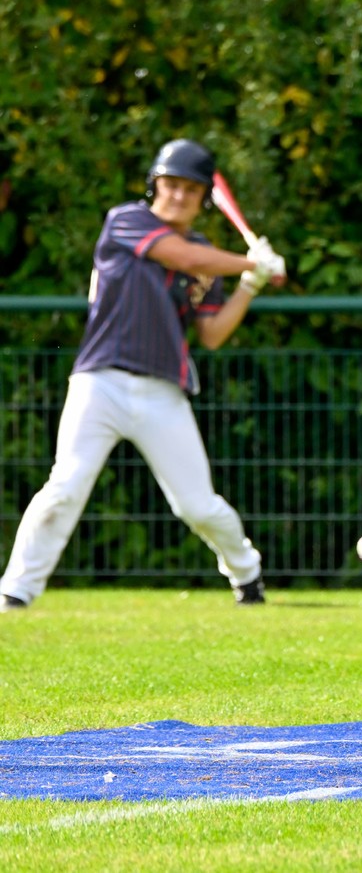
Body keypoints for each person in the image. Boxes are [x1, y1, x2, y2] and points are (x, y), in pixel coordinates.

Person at [0, 140, 287, 612]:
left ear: (202, 198)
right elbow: (184, 258)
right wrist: (252, 262)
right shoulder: (127, 220)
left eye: (190, 189)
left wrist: (249, 287)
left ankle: (247, 574)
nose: (178, 196)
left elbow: (212, 334)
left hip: (162, 392)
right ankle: (16, 592)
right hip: (99, 383)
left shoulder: (209, 258)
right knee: (65, 487)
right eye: (170, 185)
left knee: (198, 507)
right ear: (155, 184)